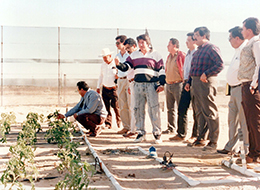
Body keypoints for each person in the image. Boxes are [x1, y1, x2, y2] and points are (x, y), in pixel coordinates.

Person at [115, 34, 165, 144]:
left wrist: (161, 84)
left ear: (148, 43)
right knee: (138, 109)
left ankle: (157, 134)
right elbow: (127, 66)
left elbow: (161, 70)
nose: (140, 45)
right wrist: (119, 65)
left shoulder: (156, 54)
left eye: (143, 42)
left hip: (151, 85)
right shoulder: (134, 55)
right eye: (139, 43)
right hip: (137, 85)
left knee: (154, 109)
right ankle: (141, 133)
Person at [185, 26, 224, 151]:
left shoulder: (211, 48)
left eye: (196, 35)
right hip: (195, 82)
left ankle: (213, 141)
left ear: (204, 36)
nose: (194, 37)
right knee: (199, 111)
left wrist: (206, 73)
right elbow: (193, 68)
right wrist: (189, 82)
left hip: (206, 82)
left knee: (210, 111)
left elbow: (220, 64)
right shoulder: (197, 51)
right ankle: (201, 138)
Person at [217, 26, 249, 155]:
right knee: (232, 120)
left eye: (230, 38)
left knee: (243, 121)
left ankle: (245, 148)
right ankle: (230, 145)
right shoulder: (237, 50)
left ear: (237, 38)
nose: (229, 41)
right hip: (233, 89)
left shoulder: (246, 50)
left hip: (241, 88)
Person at [237, 17, 260, 163]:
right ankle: (252, 152)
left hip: (251, 87)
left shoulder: (256, 43)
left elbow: (259, 64)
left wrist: (254, 84)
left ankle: (257, 154)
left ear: (249, 30)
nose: (242, 30)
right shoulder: (250, 43)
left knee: (255, 120)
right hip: (245, 85)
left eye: (243, 28)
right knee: (250, 120)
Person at [169, 33, 198, 141]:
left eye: (189, 40)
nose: (186, 42)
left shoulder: (196, 53)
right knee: (182, 108)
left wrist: (189, 82)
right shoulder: (188, 54)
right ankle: (181, 133)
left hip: (193, 82)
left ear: (194, 41)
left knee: (196, 110)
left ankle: (195, 135)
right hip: (185, 83)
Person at [162, 38, 186, 135]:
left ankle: (181, 130)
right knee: (170, 108)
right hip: (169, 84)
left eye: (169, 45)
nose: (167, 47)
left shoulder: (181, 56)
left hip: (178, 84)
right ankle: (170, 127)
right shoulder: (169, 57)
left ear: (175, 46)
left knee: (180, 108)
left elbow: (185, 68)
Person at [97, 48, 121, 129]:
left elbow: (120, 75)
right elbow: (101, 76)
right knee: (106, 107)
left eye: (106, 58)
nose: (104, 60)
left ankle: (119, 121)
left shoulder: (116, 64)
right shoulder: (103, 65)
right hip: (105, 88)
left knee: (116, 107)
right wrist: (98, 86)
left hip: (114, 88)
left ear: (110, 56)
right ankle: (108, 123)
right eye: (103, 58)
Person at [121, 38, 138, 138]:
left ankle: (134, 130)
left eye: (128, 48)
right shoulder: (130, 57)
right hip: (131, 82)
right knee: (132, 107)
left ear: (134, 46)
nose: (127, 50)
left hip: (136, 82)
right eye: (126, 48)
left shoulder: (137, 57)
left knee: (135, 108)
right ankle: (133, 129)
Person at [115, 35, 131, 135]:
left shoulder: (129, 55)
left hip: (128, 80)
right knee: (122, 104)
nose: (116, 45)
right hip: (120, 80)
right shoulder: (117, 56)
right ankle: (126, 126)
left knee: (130, 104)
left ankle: (133, 127)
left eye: (118, 43)